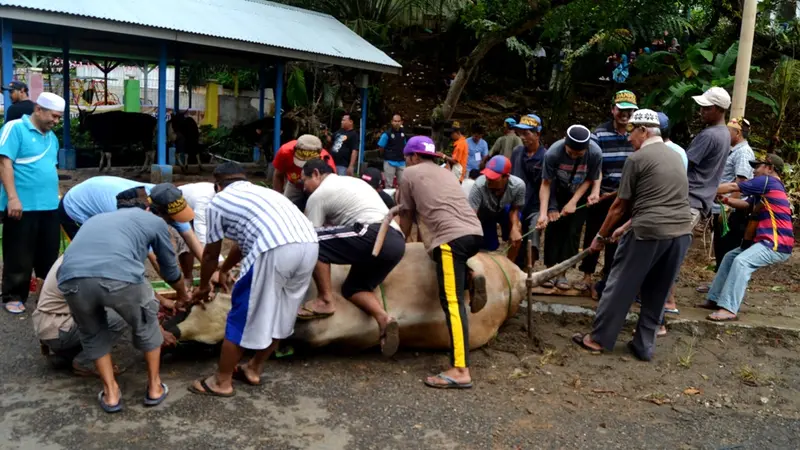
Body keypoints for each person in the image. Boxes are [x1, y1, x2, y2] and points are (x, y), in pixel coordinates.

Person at [57, 185, 192, 413]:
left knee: (93, 333)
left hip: (71, 279)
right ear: (149, 208)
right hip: (119, 279)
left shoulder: (96, 219)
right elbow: (169, 270)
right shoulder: (155, 222)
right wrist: (181, 294)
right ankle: (154, 388)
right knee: (147, 325)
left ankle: (111, 394)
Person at [572, 109, 692, 361]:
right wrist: (625, 227)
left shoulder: (636, 160)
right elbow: (662, 199)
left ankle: (598, 339)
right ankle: (644, 345)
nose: (628, 139)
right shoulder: (675, 156)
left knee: (620, 285)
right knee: (657, 291)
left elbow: (618, 207)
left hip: (648, 232)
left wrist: (599, 237)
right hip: (680, 233)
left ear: (644, 131)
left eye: (631, 132)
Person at [189, 162, 318, 397]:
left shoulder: (217, 201)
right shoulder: (265, 192)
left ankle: (221, 382)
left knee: (241, 315)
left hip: (274, 248)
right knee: (282, 312)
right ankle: (253, 368)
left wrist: (203, 285)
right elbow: (240, 243)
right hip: (309, 246)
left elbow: (209, 254)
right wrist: (226, 268)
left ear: (218, 185)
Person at [397, 136, 483, 389]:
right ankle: (469, 274)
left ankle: (460, 369)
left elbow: (407, 215)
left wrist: (400, 245)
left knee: (452, 303)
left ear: (413, 156)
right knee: (445, 267)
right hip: (473, 234)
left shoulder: (409, 174)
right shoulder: (445, 172)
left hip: (450, 240)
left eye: (406, 157)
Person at [296, 160, 406, 356]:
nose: (304, 187)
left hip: (371, 233)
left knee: (311, 242)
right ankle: (383, 320)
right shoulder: (353, 182)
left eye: (304, 181)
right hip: (395, 242)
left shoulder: (319, 195)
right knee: (354, 288)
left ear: (315, 174)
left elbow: (310, 235)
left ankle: (325, 300)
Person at [700, 155, 793, 321]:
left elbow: (733, 185)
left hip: (776, 243)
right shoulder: (766, 187)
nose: (754, 170)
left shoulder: (767, 181)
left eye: (758, 166)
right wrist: (726, 200)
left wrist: (703, 189)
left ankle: (729, 308)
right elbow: (746, 204)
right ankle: (715, 298)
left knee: (742, 261)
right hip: (765, 241)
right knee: (730, 257)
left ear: (769, 168)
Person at [58, 176, 204, 280]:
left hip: (99, 190)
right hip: (76, 207)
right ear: (159, 212)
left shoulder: (165, 197)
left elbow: (190, 237)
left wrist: (213, 269)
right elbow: (156, 259)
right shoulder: (132, 212)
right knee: (98, 261)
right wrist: (180, 291)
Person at [0, 92, 64, 314]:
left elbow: (51, 168)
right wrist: (12, 198)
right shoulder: (15, 128)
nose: (56, 121)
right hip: (22, 205)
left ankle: (45, 295)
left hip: (49, 205)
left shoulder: (52, 138)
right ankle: (13, 294)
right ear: (38, 109)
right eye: (53, 116)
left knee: (48, 252)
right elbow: (4, 163)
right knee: (19, 252)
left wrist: (57, 194)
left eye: (59, 118)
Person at [578, 90, 638, 294]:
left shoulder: (637, 133)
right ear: (613, 110)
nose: (625, 115)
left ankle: (607, 277)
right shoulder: (599, 133)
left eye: (629, 111)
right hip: (603, 194)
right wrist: (598, 191)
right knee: (595, 233)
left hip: (626, 197)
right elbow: (595, 167)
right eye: (621, 110)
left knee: (616, 237)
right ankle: (586, 275)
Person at [536, 125, 602, 290]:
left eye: (578, 154)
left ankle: (563, 273)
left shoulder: (595, 153)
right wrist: (544, 213)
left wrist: (573, 201)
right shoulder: (553, 153)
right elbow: (546, 183)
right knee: (553, 229)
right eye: (570, 152)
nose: (573, 156)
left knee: (573, 232)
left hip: (579, 194)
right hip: (556, 193)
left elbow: (590, 179)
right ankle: (550, 271)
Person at [696, 117, 756, 293]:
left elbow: (741, 182)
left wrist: (729, 207)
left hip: (730, 208)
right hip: (721, 205)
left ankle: (724, 286)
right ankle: (719, 283)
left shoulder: (743, 152)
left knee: (727, 247)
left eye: (728, 131)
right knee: (721, 247)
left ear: (737, 133)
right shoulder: (732, 150)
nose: (724, 134)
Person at [686, 86, 732, 226]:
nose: (702, 111)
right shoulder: (725, 133)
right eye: (701, 107)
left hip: (690, 199)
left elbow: (684, 164)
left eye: (707, 108)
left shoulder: (709, 135)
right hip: (701, 200)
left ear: (720, 109)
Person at [510, 114, 549, 269]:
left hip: (535, 205)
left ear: (537, 134)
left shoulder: (545, 156)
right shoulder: (517, 152)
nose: (523, 137)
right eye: (521, 133)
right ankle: (513, 267)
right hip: (517, 204)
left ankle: (529, 268)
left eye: (527, 133)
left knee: (533, 233)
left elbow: (547, 185)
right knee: (514, 234)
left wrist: (545, 211)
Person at [468, 155, 525, 262]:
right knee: (489, 246)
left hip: (504, 210)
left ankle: (510, 264)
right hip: (483, 214)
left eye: (493, 177)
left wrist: (514, 228)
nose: (488, 180)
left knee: (518, 228)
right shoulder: (479, 186)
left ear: (506, 177)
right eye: (487, 176)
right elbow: (471, 215)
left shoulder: (519, 186)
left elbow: (515, 208)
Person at [272, 134, 337, 210]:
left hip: (317, 188)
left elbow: (330, 188)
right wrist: (278, 199)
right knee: (284, 208)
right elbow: (278, 175)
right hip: (294, 184)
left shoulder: (326, 161)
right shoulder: (285, 152)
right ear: (295, 150)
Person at [177, 182, 216, 247]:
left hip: (191, 202)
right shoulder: (204, 200)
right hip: (178, 205)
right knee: (188, 239)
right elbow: (200, 228)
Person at [378, 114, 407, 187]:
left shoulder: (403, 133)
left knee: (403, 185)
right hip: (390, 162)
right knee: (389, 184)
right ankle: (389, 198)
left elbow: (405, 145)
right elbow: (381, 147)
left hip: (401, 162)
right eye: (395, 121)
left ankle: (400, 198)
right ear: (392, 122)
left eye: (398, 121)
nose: (397, 123)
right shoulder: (387, 134)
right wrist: (385, 155)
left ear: (401, 122)